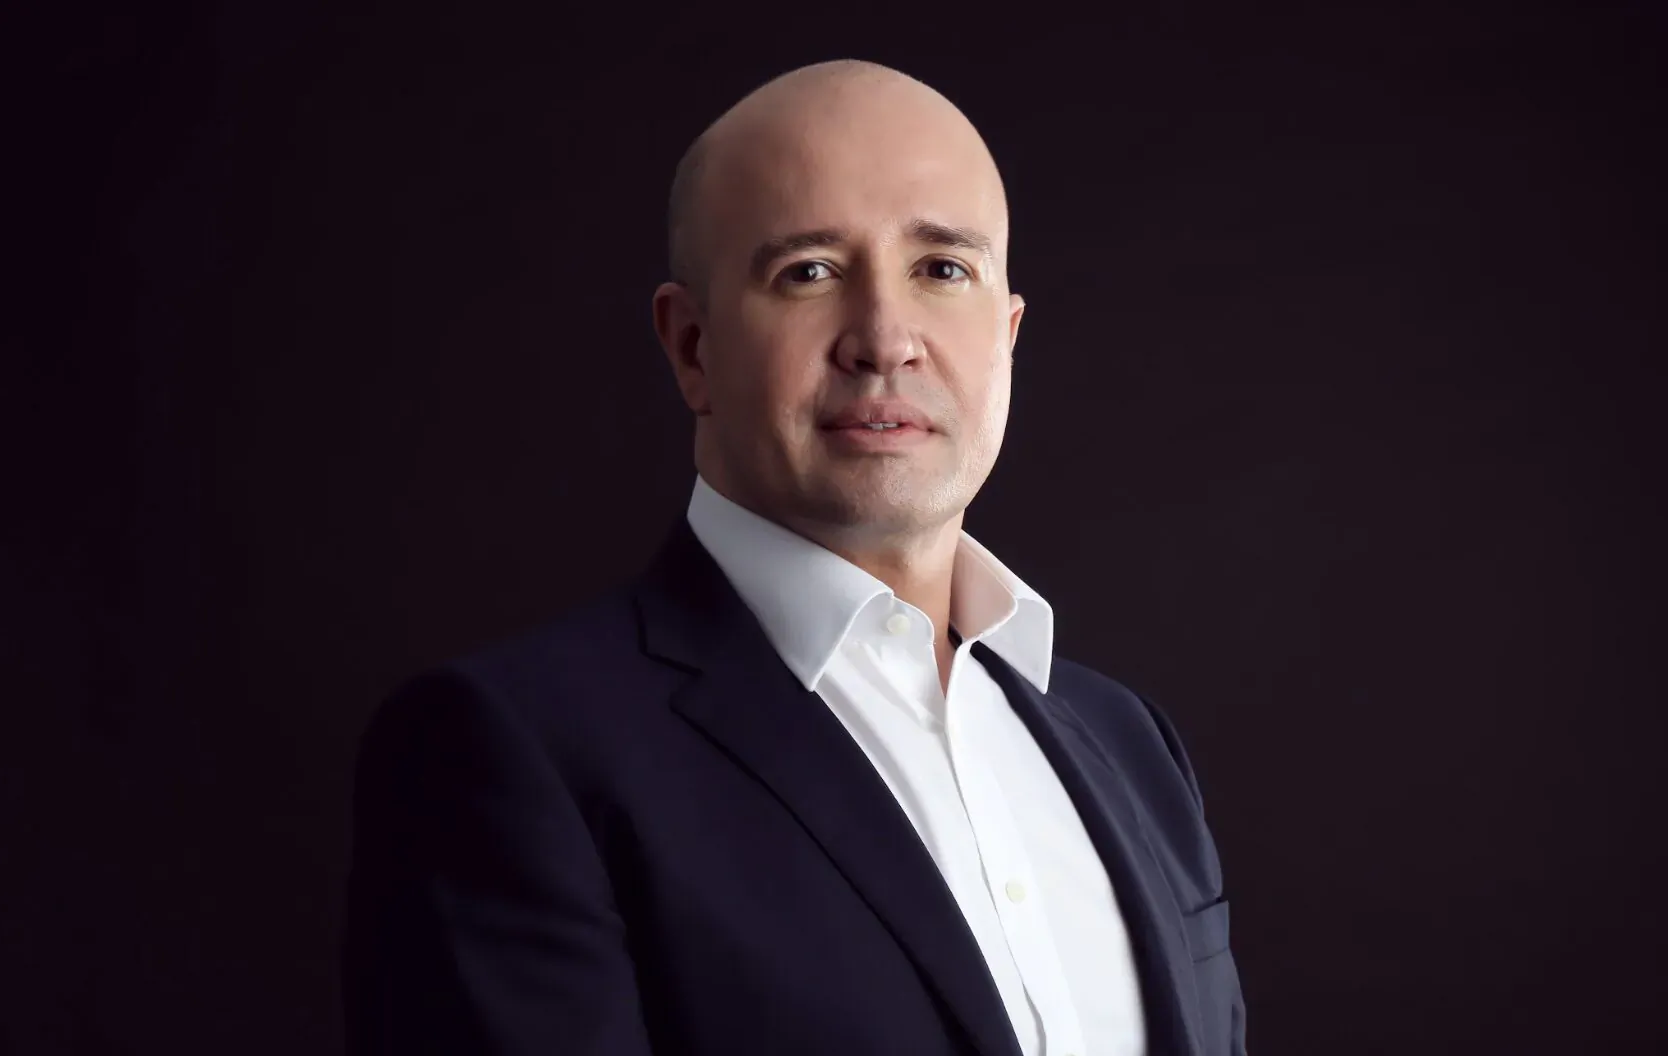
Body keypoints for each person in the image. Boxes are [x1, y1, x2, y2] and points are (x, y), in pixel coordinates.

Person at [341, 58, 1246, 1056]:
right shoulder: (512, 753)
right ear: (692, 346)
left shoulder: (1129, 744)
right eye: (808, 272)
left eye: (942, 269)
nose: (885, 340)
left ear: (1007, 334)